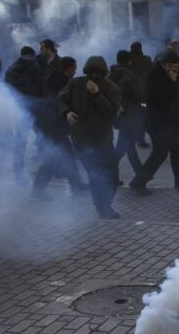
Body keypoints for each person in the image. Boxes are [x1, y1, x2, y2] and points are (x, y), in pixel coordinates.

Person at [58, 56, 122, 219]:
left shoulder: (111, 88)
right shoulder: (76, 84)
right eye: (91, 73)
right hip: (82, 139)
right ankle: (102, 207)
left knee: (113, 176)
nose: (95, 77)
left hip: (103, 139)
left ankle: (105, 203)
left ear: (104, 73)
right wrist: (67, 113)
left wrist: (97, 93)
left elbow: (111, 113)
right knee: (95, 175)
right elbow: (61, 99)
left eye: (98, 74)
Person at [129, 50, 179, 192]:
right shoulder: (155, 76)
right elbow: (159, 99)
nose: (176, 69)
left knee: (177, 151)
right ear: (166, 65)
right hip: (159, 123)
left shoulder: (174, 76)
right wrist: (173, 83)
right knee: (160, 153)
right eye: (174, 66)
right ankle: (138, 181)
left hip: (173, 121)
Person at [33, 57, 87, 198]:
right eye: (74, 67)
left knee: (66, 156)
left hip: (53, 124)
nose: (75, 70)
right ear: (68, 68)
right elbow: (59, 103)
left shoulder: (55, 79)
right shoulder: (60, 82)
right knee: (54, 158)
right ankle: (38, 190)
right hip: (54, 125)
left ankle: (76, 185)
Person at [4, 46, 46, 185]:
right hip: (34, 107)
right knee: (47, 136)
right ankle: (51, 166)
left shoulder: (12, 68)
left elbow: (6, 87)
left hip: (19, 108)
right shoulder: (35, 67)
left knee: (20, 140)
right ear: (32, 55)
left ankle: (18, 170)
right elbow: (41, 88)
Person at [108, 50, 145, 176]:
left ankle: (140, 175)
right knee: (124, 146)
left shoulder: (111, 74)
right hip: (129, 115)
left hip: (118, 114)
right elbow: (139, 95)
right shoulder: (129, 76)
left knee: (126, 145)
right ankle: (140, 176)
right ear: (129, 61)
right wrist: (144, 106)